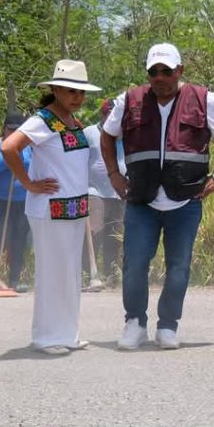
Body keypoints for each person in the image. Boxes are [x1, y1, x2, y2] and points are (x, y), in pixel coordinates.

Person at [102, 43, 214, 350]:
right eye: (153, 72)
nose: (160, 77)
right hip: (142, 199)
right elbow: (107, 135)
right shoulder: (129, 100)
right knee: (135, 264)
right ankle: (135, 323)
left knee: (179, 266)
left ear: (180, 70)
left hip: (185, 200)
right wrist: (113, 174)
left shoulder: (205, 99)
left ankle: (167, 325)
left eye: (166, 71)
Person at [1, 59, 100, 355]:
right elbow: (9, 147)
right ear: (55, 90)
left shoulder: (71, 121)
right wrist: (28, 183)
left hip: (74, 208)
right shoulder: (42, 119)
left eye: (81, 92)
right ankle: (46, 337)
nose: (77, 97)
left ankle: (67, 333)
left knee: (70, 273)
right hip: (50, 209)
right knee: (52, 273)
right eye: (71, 91)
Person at [0, 112, 32, 292]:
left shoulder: (27, 147)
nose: (14, 133)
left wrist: (16, 152)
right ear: (4, 128)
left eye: (18, 130)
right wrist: (12, 153)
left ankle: (14, 280)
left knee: (19, 240)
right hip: (1, 200)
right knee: (0, 239)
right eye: (11, 129)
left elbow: (32, 165)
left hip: (23, 200)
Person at [84, 99, 125, 287]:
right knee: (95, 230)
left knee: (115, 234)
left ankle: (111, 274)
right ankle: (88, 273)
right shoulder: (89, 133)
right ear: (103, 114)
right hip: (95, 189)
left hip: (119, 191)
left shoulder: (125, 134)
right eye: (111, 114)